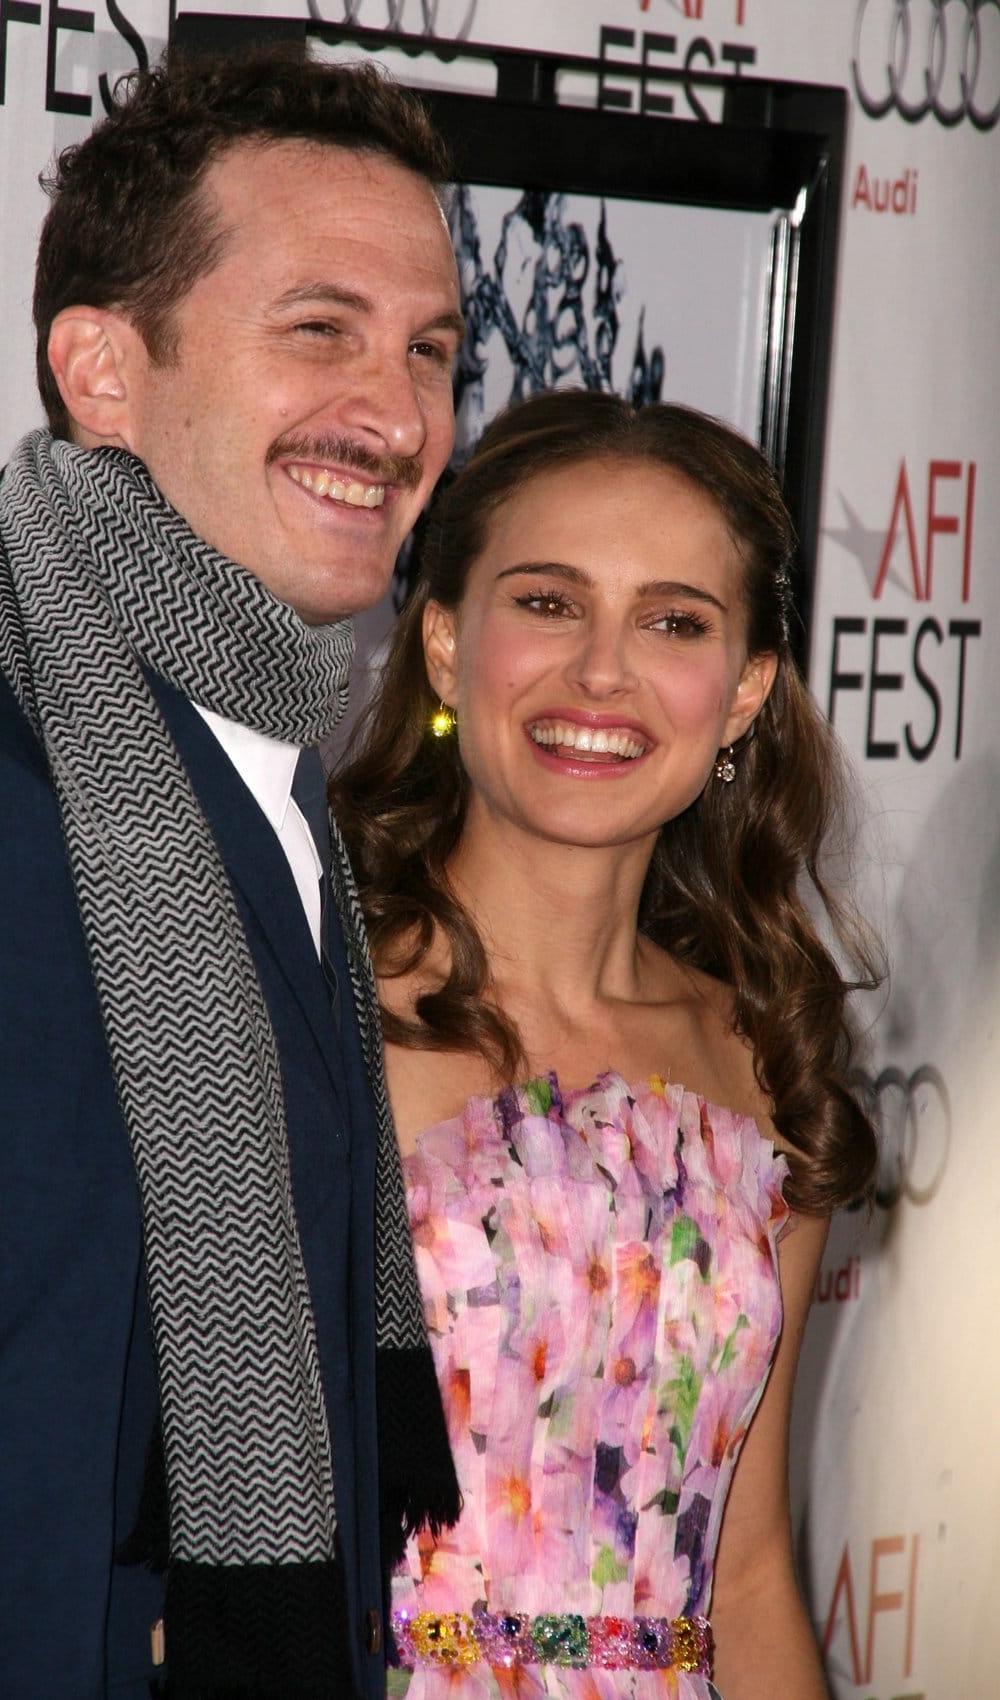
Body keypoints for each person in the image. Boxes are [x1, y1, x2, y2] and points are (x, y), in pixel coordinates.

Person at [0, 47, 467, 1700]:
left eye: (431, 351)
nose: (395, 415)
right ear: (103, 371)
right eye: (320, 330)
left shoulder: (244, 745)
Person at [330, 388, 880, 1699]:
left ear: (746, 691)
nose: (601, 674)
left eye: (674, 622)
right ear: (446, 645)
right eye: (548, 601)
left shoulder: (762, 1059)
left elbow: (743, 1576)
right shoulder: (309, 1002)